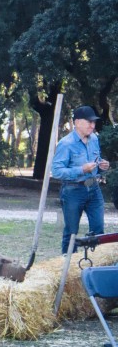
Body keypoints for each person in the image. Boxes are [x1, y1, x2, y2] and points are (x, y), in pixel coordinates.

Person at [53, 105, 110, 253]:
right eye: (89, 122)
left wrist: (102, 164)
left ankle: (97, 265)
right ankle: (67, 265)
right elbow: (57, 172)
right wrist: (81, 170)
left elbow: (96, 158)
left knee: (98, 229)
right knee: (71, 232)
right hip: (73, 191)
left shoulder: (94, 139)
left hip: (94, 188)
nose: (92, 125)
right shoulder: (66, 144)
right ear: (77, 122)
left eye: (94, 122)